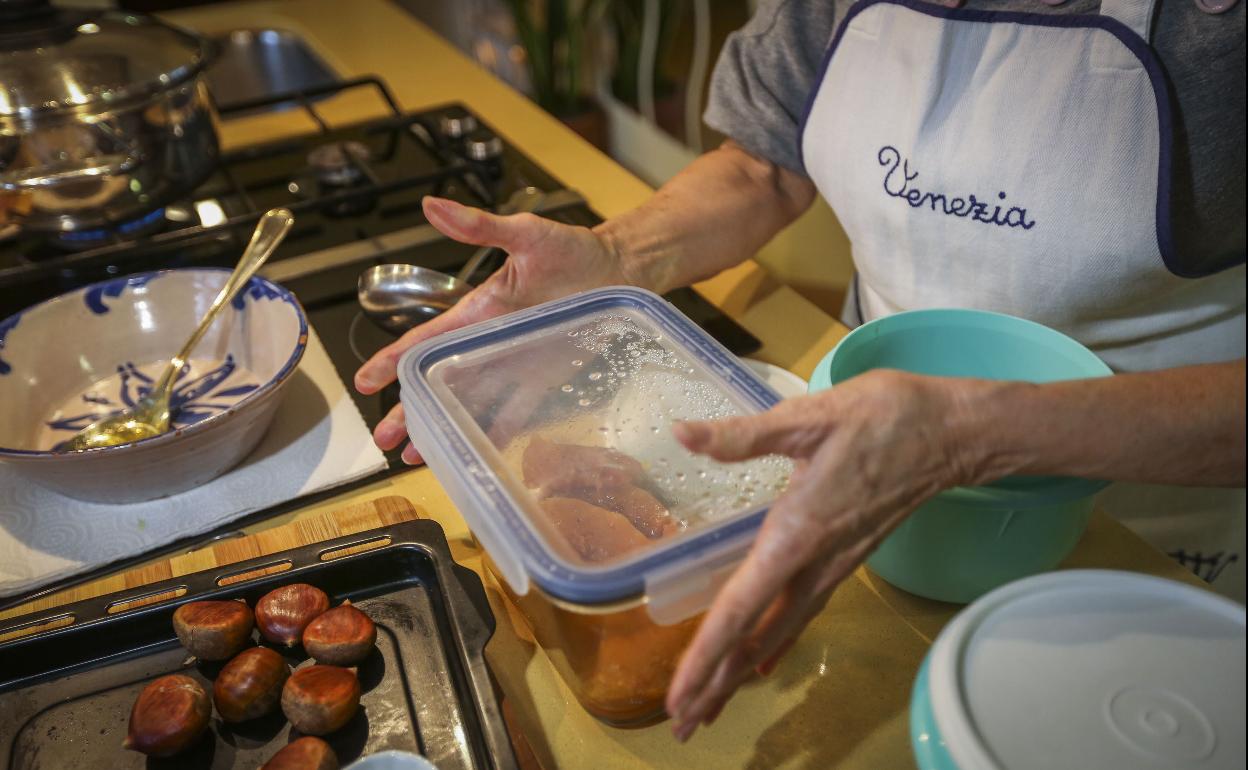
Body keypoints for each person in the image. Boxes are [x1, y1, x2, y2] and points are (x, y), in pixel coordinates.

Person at [357, 0, 1246, 742]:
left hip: (1137, 527)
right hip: (848, 477)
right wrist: (615, 252)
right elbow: (762, 163)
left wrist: (968, 436)